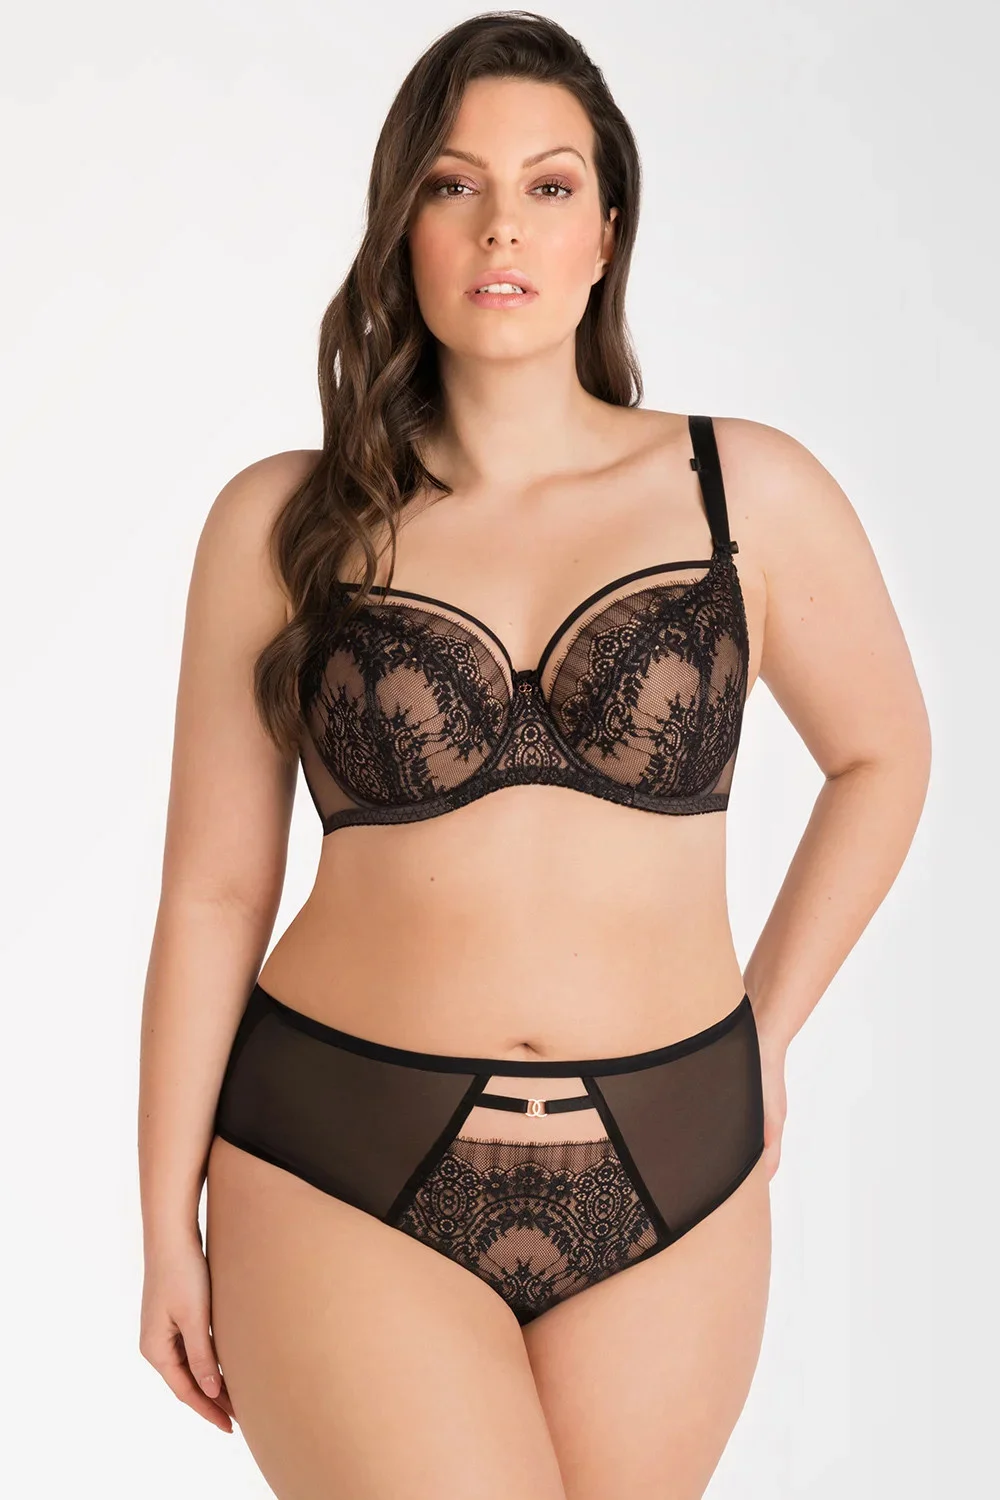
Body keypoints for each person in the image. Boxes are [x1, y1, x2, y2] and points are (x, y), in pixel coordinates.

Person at [137, 12, 931, 1499]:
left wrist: (764, 1038)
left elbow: (885, 755)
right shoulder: (284, 521)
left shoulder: (745, 490)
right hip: (339, 1156)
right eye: (455, 184)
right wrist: (161, 1224)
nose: (502, 224)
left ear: (605, 230)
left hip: (677, 1161)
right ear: (404, 224)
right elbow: (213, 893)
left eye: (549, 185)